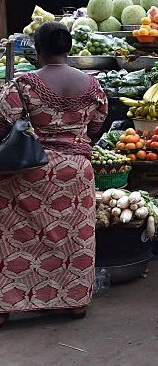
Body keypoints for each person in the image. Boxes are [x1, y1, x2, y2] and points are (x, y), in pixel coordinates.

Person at [0, 22, 108, 327]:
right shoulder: (93, 85)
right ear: (69, 48)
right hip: (76, 172)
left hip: (31, 169)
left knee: (13, 235)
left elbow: (2, 124)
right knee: (75, 235)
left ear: (38, 49)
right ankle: (73, 302)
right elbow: (97, 126)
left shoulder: (24, 84)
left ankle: (7, 303)